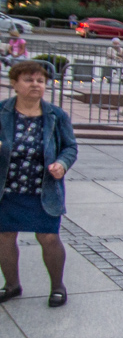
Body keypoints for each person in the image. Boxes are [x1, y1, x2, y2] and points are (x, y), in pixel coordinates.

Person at [0, 61, 77, 308]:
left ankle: (57, 287)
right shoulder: (2, 112)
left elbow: (70, 147)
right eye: (28, 80)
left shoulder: (56, 115)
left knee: (49, 237)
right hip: (6, 190)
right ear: (14, 84)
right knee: (4, 237)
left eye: (40, 81)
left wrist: (62, 164)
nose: (35, 85)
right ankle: (12, 285)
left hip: (42, 190)